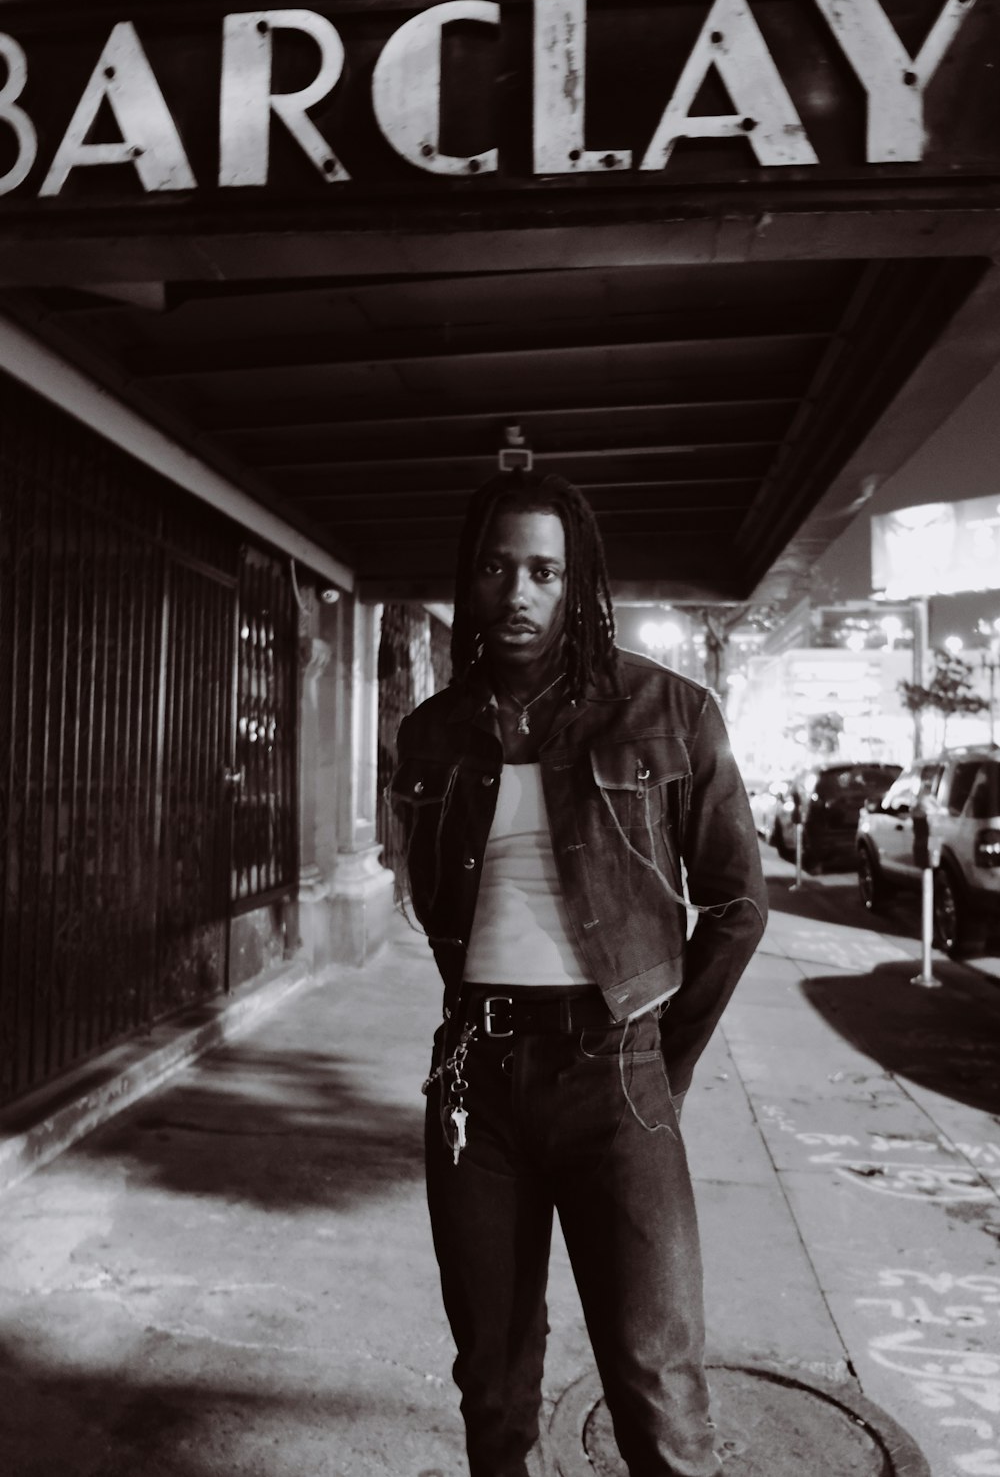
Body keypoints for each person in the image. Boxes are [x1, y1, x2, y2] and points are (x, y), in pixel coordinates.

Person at [390, 470, 767, 1477]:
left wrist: (658, 1063)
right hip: (477, 1088)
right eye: (497, 567)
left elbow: (737, 902)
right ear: (471, 582)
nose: (518, 591)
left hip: (616, 1077)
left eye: (543, 571)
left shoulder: (665, 711)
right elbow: (435, 905)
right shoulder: (429, 736)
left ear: (577, 582)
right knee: (494, 1382)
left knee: (659, 1396)